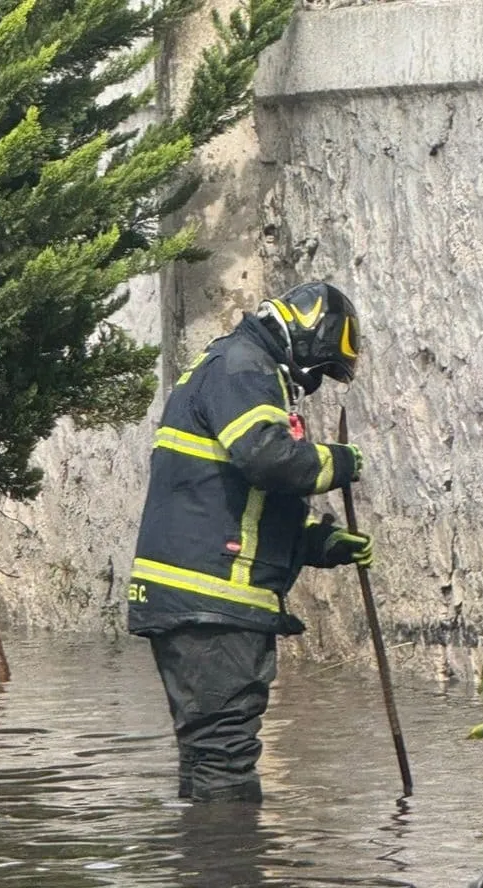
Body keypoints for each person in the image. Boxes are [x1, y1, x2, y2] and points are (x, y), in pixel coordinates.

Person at [127, 281, 373, 804]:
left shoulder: (232, 367)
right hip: (212, 604)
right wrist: (343, 461)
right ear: (307, 339)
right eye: (322, 368)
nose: (317, 383)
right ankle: (233, 876)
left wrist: (315, 544)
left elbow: (231, 498)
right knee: (225, 760)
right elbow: (268, 458)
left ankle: (204, 877)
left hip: (198, 599)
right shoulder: (244, 367)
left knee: (208, 753)